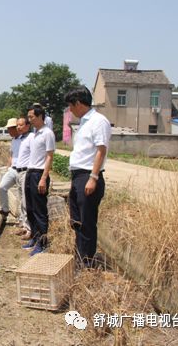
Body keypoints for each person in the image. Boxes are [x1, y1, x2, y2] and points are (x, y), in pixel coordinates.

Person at [65, 86, 111, 267]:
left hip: (88, 177)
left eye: (70, 106)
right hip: (78, 177)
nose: (70, 110)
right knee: (77, 221)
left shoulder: (99, 121)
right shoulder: (84, 122)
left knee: (87, 222)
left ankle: (86, 263)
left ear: (78, 103)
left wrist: (93, 177)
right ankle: (80, 257)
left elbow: (101, 150)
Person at [23, 105, 55, 256]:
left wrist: (43, 177)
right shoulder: (35, 134)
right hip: (30, 172)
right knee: (30, 208)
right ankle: (35, 238)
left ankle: (42, 243)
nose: (30, 120)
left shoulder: (47, 133)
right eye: (28, 117)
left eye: (31, 117)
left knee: (39, 210)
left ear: (40, 116)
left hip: (39, 174)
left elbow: (49, 156)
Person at [0, 118, 21, 217]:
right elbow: (11, 155)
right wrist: (8, 167)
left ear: (16, 128)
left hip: (22, 171)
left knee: (21, 194)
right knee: (2, 187)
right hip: (13, 169)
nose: (8, 131)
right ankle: (5, 209)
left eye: (10, 129)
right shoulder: (14, 140)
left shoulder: (25, 139)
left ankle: (22, 218)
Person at [14, 117, 33, 239]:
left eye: (21, 125)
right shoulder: (19, 139)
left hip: (26, 171)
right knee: (21, 201)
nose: (18, 127)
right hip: (18, 172)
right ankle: (24, 226)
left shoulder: (31, 137)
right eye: (17, 125)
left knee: (26, 202)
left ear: (27, 126)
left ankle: (29, 229)